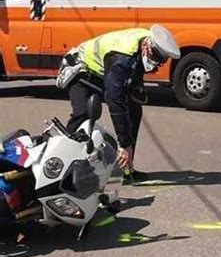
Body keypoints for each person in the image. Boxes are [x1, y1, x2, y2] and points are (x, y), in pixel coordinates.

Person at [57, 25, 181, 182]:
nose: (156, 63)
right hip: (80, 68)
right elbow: (114, 100)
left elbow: (136, 68)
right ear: (147, 47)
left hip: (103, 70)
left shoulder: (146, 41)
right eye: (155, 58)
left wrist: (136, 87)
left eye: (160, 61)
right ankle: (61, 166)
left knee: (134, 111)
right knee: (84, 113)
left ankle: (126, 168)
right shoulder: (122, 58)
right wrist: (124, 144)